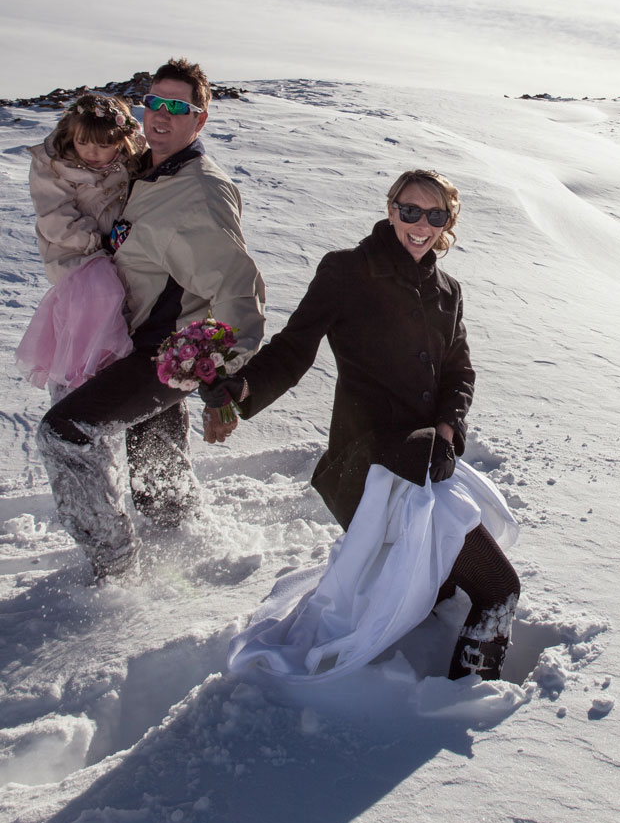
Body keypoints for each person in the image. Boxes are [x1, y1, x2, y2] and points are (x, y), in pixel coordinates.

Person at [204, 167, 520, 681]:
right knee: (498, 589)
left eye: (434, 215)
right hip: (371, 467)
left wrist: (447, 430)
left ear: (447, 222)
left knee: (437, 588)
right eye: (410, 210)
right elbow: (294, 347)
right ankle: (465, 704)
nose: (420, 224)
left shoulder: (447, 291)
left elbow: (459, 370)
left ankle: (429, 687)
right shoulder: (348, 271)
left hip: (428, 463)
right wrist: (240, 388)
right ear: (391, 208)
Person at [35, 58, 266, 583]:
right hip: (132, 344)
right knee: (162, 496)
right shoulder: (146, 172)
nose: (160, 115)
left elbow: (238, 291)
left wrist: (218, 376)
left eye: (176, 107)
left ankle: (115, 571)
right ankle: (198, 568)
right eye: (153, 102)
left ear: (199, 119)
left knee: (65, 435)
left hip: (158, 357)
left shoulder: (198, 190)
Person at [17, 93, 141, 393]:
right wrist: (99, 243)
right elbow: (55, 217)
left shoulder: (131, 162)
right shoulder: (55, 164)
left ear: (120, 141)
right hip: (75, 254)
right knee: (94, 308)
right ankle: (74, 392)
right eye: (83, 142)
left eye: (102, 144)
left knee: (130, 315)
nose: (92, 152)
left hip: (117, 253)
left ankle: (115, 383)